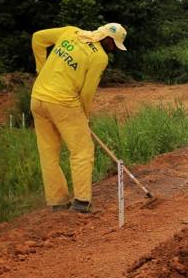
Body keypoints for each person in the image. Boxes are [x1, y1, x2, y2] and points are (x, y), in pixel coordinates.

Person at [31, 23, 127, 214]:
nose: (113, 48)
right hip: (64, 103)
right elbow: (87, 92)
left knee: (48, 154)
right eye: (114, 44)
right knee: (83, 150)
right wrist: (84, 115)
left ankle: (57, 201)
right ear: (107, 39)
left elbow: (37, 38)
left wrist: (41, 70)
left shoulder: (71, 32)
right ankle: (82, 202)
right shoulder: (99, 57)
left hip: (38, 99)